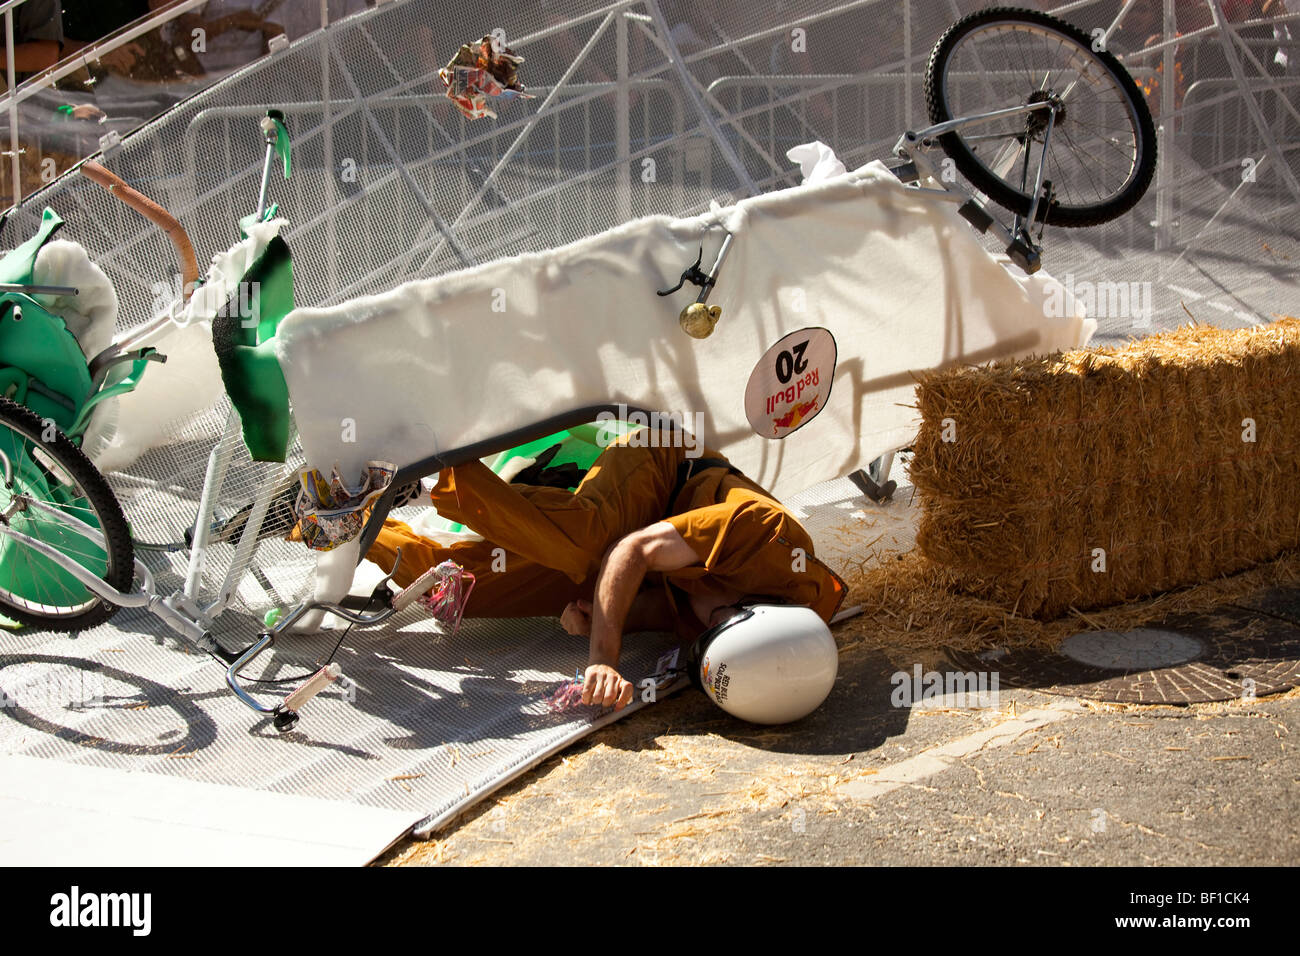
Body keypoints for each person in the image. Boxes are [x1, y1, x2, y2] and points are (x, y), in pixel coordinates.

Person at [366, 426, 847, 712]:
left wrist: (593, 621)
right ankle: (427, 476)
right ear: (755, 608)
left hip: (651, 553)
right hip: (666, 468)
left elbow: (655, 612)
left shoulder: (761, 649)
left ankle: (339, 519)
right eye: (715, 622)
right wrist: (603, 658)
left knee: (461, 589)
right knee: (584, 542)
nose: (702, 625)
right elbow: (630, 552)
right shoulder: (766, 536)